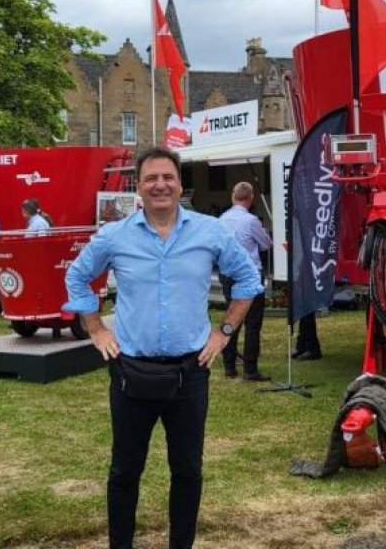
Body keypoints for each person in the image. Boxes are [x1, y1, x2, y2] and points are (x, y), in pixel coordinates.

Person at [65, 146, 262, 549]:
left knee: (187, 470)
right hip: (130, 372)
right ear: (140, 186)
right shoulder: (115, 235)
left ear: (180, 183)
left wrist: (224, 331)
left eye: (168, 177)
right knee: (124, 471)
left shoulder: (210, 231)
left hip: (190, 374)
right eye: (152, 178)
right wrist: (97, 330)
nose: (160, 185)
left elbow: (247, 279)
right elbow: (77, 276)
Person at [218, 181, 273, 381]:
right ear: (250, 198)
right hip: (249, 274)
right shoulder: (251, 221)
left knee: (231, 318)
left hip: (228, 273)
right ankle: (250, 368)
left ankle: (229, 365)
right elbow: (266, 244)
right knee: (252, 323)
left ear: (233, 197)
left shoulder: (222, 219)